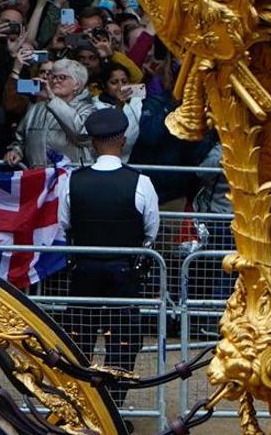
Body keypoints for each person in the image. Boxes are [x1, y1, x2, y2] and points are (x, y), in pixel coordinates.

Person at [57, 108, 159, 407]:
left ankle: (83, 406)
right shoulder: (140, 182)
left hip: (84, 270)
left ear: (92, 143)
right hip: (125, 272)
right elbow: (150, 230)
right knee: (123, 342)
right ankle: (112, 407)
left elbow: (65, 225)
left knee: (79, 338)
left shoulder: (73, 181)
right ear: (123, 140)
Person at [4, 58, 95, 167]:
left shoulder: (87, 109)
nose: (55, 81)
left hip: (72, 177)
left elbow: (81, 136)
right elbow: (21, 140)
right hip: (38, 176)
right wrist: (16, 151)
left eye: (62, 77)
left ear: (76, 84)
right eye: (53, 76)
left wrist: (53, 99)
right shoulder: (36, 108)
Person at [93, 63, 141, 160]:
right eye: (114, 82)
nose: (120, 87)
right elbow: (110, 136)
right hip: (105, 160)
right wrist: (119, 107)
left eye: (124, 81)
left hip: (134, 159)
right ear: (104, 86)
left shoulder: (138, 101)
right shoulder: (93, 105)